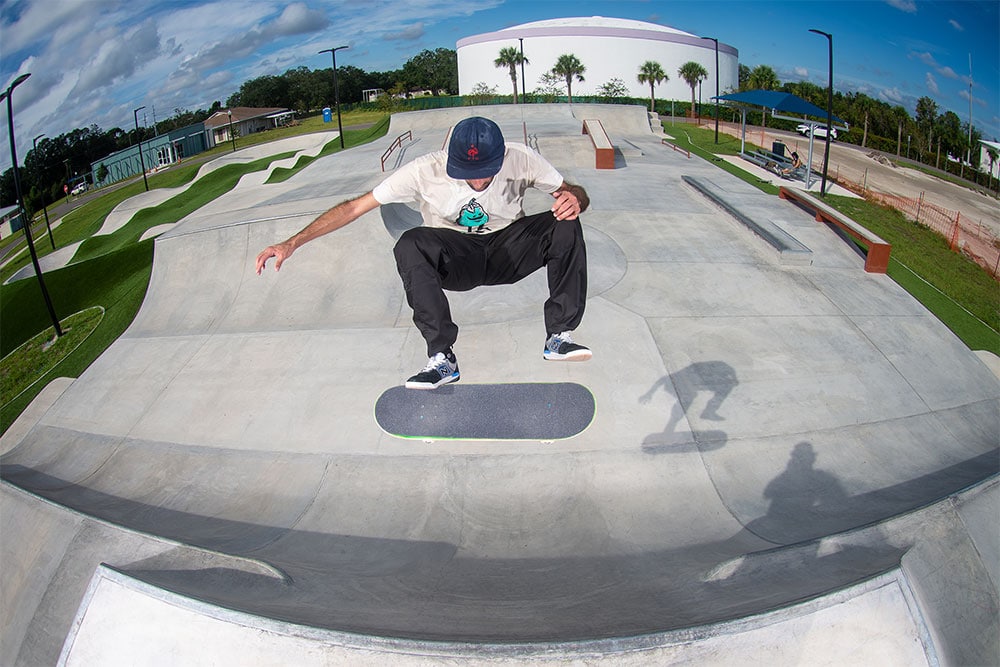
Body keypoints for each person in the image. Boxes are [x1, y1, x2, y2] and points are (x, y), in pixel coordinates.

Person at [255, 116, 592, 390]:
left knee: (564, 221)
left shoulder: (522, 158)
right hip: (456, 258)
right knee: (410, 242)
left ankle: (559, 337)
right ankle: (442, 358)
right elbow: (355, 207)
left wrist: (575, 199)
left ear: (501, 157)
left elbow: (573, 192)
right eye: (467, 176)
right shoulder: (423, 169)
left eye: (484, 174)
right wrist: (292, 242)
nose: (477, 183)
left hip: (509, 251)